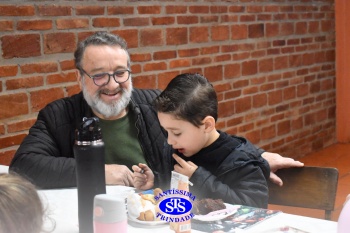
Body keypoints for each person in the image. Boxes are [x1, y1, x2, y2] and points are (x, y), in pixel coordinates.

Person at [9, 31, 303, 189]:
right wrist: (101, 172)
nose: (112, 84)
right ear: (80, 78)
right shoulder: (59, 115)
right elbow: (24, 167)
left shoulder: (153, 103)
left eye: (121, 72)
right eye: (99, 75)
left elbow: (203, 130)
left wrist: (258, 155)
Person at [132, 73, 269, 207]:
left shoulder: (239, 160)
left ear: (207, 125)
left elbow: (254, 206)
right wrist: (155, 181)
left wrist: (198, 179)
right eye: (166, 131)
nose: (170, 141)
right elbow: (173, 190)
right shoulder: (175, 151)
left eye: (177, 133)